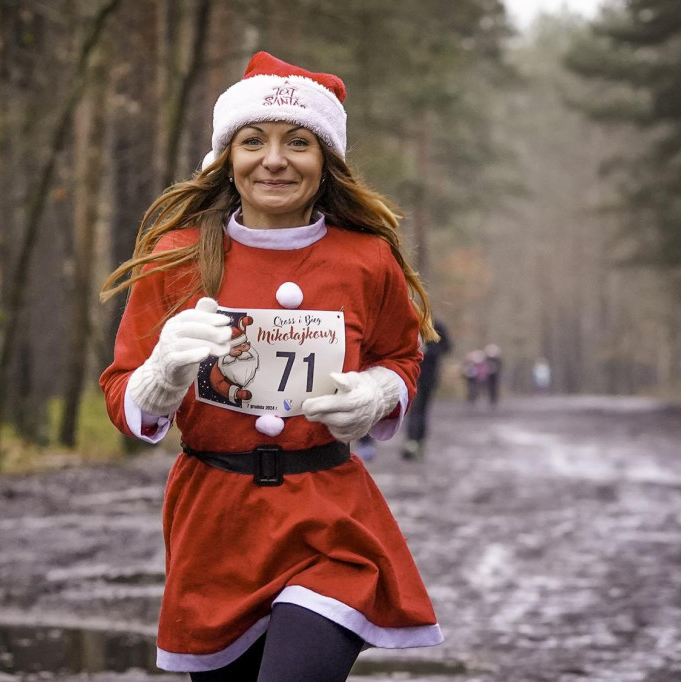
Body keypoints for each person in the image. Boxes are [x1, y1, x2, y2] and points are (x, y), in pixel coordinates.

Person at [99, 52, 443, 681]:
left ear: (326, 160)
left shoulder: (367, 259)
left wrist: (375, 392)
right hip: (215, 525)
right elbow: (123, 396)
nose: (275, 159)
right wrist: (163, 375)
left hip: (329, 521)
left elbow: (403, 355)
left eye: (299, 143)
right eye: (253, 140)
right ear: (228, 157)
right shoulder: (175, 256)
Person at [401, 320, 451, 460]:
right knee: (411, 408)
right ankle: (411, 442)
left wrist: (429, 351)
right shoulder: (408, 321)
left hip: (428, 375)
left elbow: (447, 346)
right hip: (410, 375)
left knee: (421, 409)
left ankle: (418, 442)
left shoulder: (436, 325)